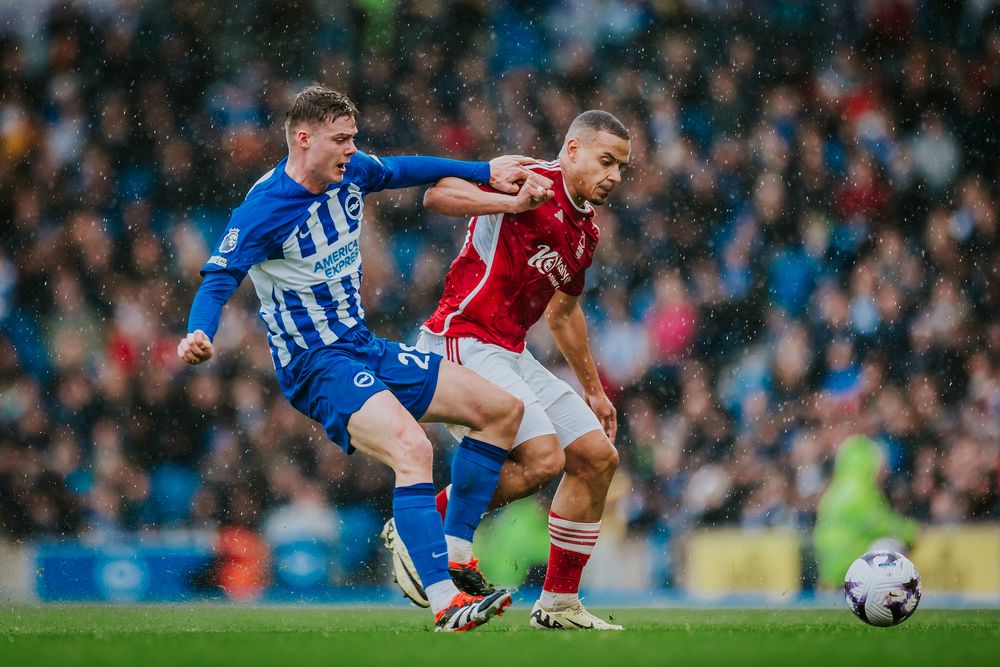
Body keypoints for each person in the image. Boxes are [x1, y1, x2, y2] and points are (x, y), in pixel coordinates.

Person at [176, 84, 553, 632]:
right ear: (304, 139)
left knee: (501, 412)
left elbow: (404, 168)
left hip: (362, 345)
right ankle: (447, 601)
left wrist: (483, 169)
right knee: (411, 446)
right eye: (341, 139)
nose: (353, 149)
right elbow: (218, 276)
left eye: (354, 138)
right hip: (316, 364)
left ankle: (451, 548)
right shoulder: (264, 207)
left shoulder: (350, 172)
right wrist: (198, 333)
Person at [382, 110, 631, 630]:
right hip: (462, 335)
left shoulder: (586, 233)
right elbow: (437, 195)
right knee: (542, 460)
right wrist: (509, 201)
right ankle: (423, 529)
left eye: (622, 167)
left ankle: (559, 603)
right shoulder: (527, 176)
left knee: (594, 457)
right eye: (606, 161)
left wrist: (594, 391)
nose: (614, 175)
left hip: (510, 349)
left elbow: (563, 314)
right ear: (572, 151)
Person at [814, 434, 919, 588]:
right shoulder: (862, 491)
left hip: (828, 566)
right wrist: (912, 531)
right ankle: (890, 597)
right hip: (852, 564)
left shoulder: (835, 489)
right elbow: (881, 525)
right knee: (890, 544)